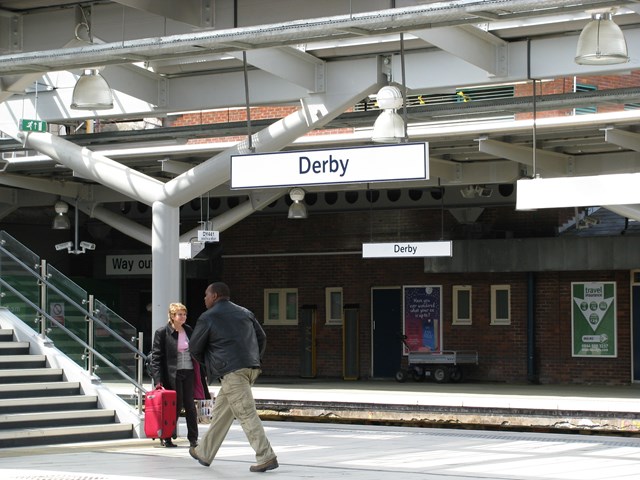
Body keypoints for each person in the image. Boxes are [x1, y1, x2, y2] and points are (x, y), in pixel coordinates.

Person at [188, 282, 278, 473]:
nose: (204, 298)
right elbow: (261, 337)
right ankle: (204, 452)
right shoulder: (245, 312)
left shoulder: (208, 317)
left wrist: (212, 365)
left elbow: (195, 348)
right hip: (250, 369)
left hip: (231, 372)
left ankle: (266, 456)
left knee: (246, 413)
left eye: (206, 295)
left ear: (215, 296)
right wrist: (255, 358)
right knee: (221, 413)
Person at [149, 302, 209, 448]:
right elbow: (156, 357)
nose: (183, 317)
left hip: (188, 372)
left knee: (190, 406)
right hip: (172, 375)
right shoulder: (162, 332)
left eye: (184, 314)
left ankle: (193, 439)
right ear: (172, 316)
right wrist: (158, 379)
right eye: (180, 314)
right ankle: (167, 436)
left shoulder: (188, 330)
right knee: (173, 407)